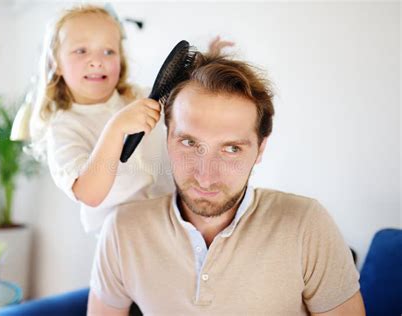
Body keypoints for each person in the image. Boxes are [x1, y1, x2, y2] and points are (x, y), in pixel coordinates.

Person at [87, 52, 365, 315]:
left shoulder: (307, 224)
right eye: (189, 142)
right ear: (168, 137)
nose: (206, 176)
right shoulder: (123, 230)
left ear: (260, 148)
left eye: (231, 149)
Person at [27, 4, 233, 233]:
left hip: (172, 221)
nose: (97, 60)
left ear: (120, 59)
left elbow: (189, 102)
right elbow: (89, 194)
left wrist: (209, 66)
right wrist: (115, 129)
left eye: (108, 51)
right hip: (121, 238)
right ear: (56, 63)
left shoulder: (140, 97)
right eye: (81, 51)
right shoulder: (63, 128)